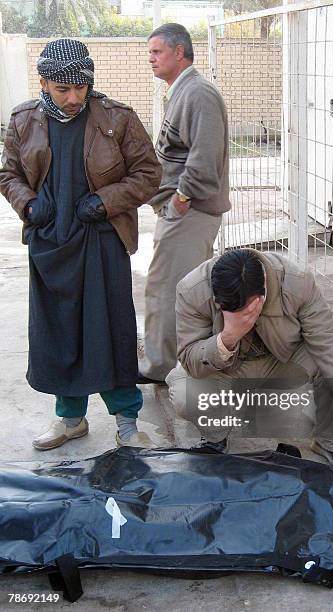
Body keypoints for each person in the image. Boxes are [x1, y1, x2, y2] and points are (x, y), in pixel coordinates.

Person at [0, 39, 162, 450]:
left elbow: (148, 173)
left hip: (102, 240)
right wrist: (29, 204)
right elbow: (9, 175)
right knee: (60, 332)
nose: (74, 99)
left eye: (81, 88)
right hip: (51, 243)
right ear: (43, 83)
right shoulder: (23, 120)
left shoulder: (117, 118)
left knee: (112, 329)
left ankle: (127, 419)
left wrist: (106, 201)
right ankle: (70, 418)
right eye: (62, 90)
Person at [166, 249, 333, 471]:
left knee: (330, 364)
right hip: (227, 367)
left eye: (248, 309)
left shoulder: (296, 282)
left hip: (282, 359)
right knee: (184, 392)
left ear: (264, 288)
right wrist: (229, 336)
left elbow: (329, 343)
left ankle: (332, 441)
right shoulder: (191, 290)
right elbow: (189, 358)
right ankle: (215, 436)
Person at [138, 23, 231, 384]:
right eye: (150, 52)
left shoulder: (198, 93)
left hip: (190, 213)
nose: (151, 58)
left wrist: (180, 199)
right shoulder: (184, 91)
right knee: (182, 290)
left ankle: (162, 367)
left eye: (157, 51)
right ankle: (180, 363)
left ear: (180, 52)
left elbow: (204, 157)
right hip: (185, 211)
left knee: (167, 289)